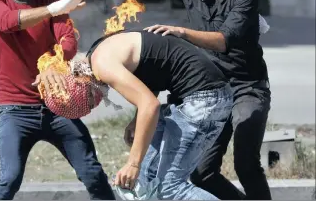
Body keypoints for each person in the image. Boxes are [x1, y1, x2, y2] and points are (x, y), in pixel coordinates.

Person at [106, 0, 272, 200]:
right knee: (201, 172)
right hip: (208, 90)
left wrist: (181, 32)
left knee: (246, 163)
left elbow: (224, 39)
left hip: (246, 87)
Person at [0, 0, 115, 200]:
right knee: (9, 180)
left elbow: (69, 41)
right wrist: (55, 9)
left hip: (57, 106)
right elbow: (8, 23)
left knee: (93, 174)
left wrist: (52, 64)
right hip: (15, 110)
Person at [35, 28, 233, 200]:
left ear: (84, 84)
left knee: (171, 188)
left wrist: (133, 163)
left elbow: (150, 105)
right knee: (146, 181)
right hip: (193, 97)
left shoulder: (102, 65)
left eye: (92, 100)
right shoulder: (98, 51)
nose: (100, 98)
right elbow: (153, 69)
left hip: (205, 99)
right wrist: (137, 120)